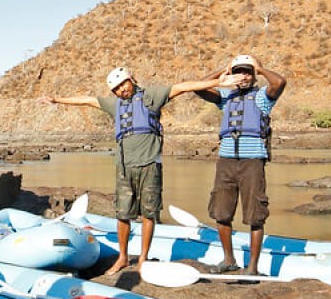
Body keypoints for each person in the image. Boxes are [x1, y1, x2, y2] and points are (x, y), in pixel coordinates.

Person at [43, 66, 239, 275]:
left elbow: (183, 87)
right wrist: (57, 99)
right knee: (122, 214)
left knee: (148, 213)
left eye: (123, 84)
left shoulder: (151, 96)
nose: (121, 90)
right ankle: (123, 257)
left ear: (131, 79)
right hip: (125, 167)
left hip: (149, 165)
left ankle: (143, 258)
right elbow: (87, 100)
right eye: (116, 89)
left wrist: (217, 83)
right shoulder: (115, 105)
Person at [193, 54, 287, 275]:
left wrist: (260, 68)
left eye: (247, 72)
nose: (243, 76)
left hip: (252, 161)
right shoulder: (226, 97)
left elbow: (280, 82)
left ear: (253, 76)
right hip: (226, 160)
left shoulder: (263, 97)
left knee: (255, 215)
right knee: (221, 212)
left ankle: (252, 268)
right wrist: (222, 73)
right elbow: (198, 88)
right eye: (239, 72)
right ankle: (229, 260)